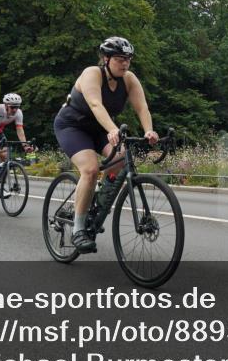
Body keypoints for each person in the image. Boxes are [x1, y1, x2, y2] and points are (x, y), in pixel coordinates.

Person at [53, 37, 158, 253]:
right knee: (90, 169)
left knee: (121, 157)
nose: (125, 63)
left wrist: (148, 130)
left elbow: (142, 108)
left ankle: (99, 195)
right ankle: (78, 230)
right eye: (120, 59)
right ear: (106, 58)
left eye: (128, 59)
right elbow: (95, 104)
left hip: (100, 127)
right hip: (73, 126)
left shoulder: (129, 79)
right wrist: (112, 129)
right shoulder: (92, 73)